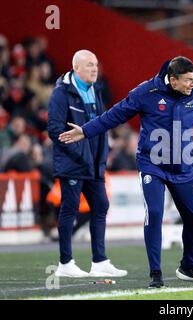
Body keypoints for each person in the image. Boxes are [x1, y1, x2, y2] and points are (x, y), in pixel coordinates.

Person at [58, 56, 193, 288]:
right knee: (154, 213)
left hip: (183, 167)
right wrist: (85, 131)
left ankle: (188, 266)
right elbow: (114, 115)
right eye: (188, 80)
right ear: (172, 80)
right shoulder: (146, 92)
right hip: (152, 165)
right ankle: (156, 273)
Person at [47, 49, 127, 278]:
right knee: (69, 210)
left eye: (96, 64)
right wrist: (79, 155)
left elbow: (101, 124)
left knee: (101, 206)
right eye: (90, 65)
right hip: (73, 163)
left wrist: (102, 155)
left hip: (95, 163)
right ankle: (65, 263)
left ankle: (99, 260)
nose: (95, 69)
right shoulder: (61, 94)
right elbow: (55, 130)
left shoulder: (95, 89)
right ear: (77, 68)